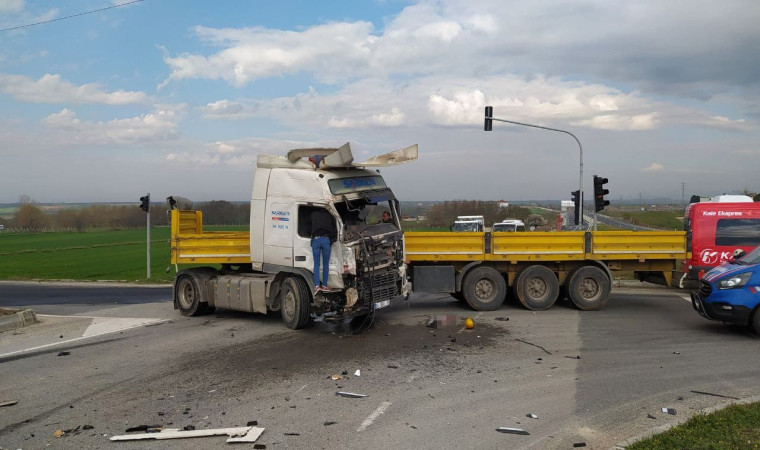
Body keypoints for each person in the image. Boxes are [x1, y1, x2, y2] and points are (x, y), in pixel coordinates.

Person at [310, 208, 337, 294]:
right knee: (326, 264)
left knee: (316, 264)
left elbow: (308, 225)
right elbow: (334, 230)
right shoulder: (330, 216)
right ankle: (324, 286)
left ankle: (317, 286)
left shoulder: (313, 214)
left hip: (316, 240)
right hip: (326, 240)